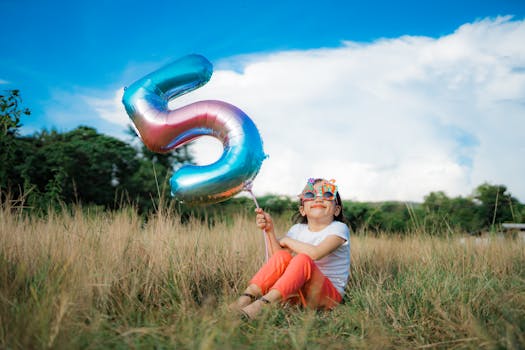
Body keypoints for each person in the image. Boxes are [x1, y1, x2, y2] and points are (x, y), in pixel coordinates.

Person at [230, 178, 351, 319]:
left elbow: (315, 254)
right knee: (283, 256)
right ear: (302, 210)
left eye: (327, 195)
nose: (318, 199)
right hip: (297, 291)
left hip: (326, 297)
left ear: (336, 210)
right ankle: (246, 297)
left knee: (302, 259)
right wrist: (269, 230)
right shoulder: (297, 229)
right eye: (311, 195)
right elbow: (277, 259)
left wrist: (286, 240)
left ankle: (263, 304)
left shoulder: (339, 228)